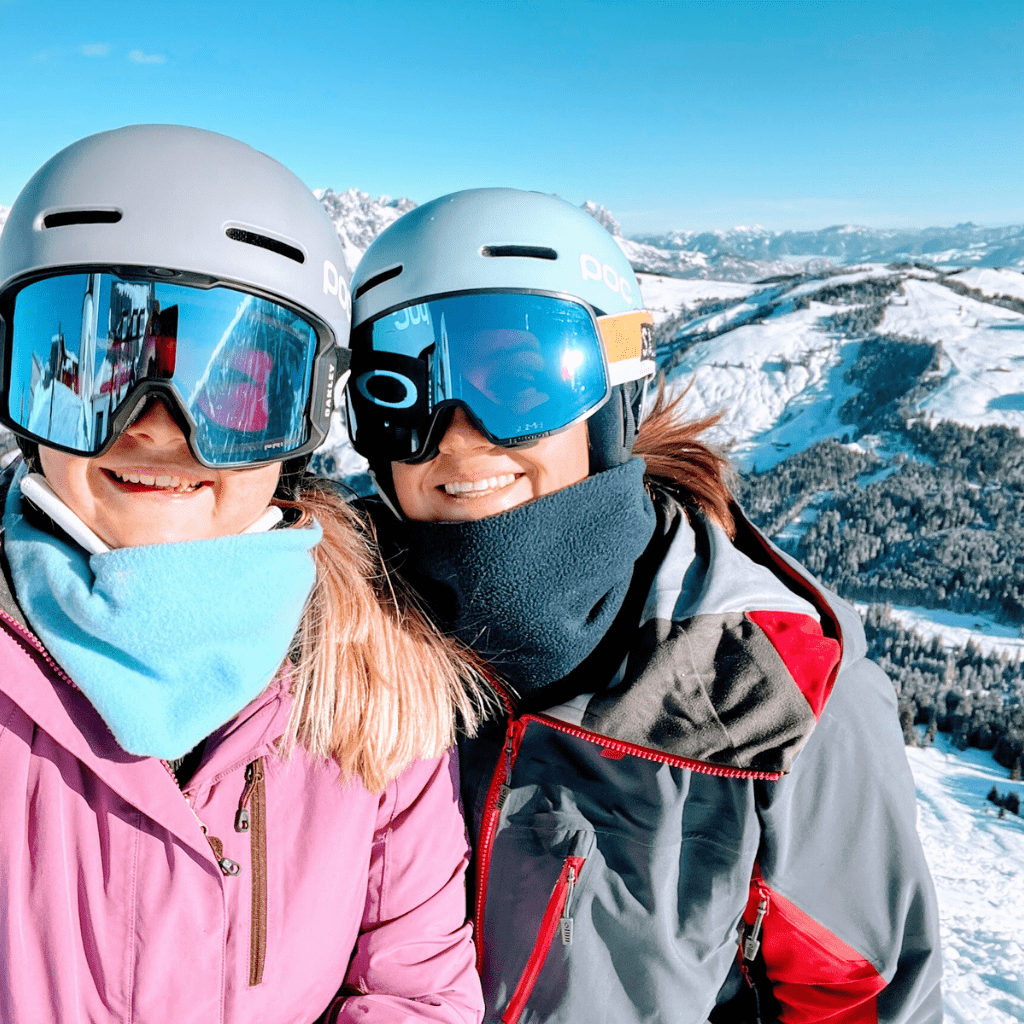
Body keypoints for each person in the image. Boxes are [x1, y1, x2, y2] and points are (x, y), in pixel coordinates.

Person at [344, 188, 943, 1024]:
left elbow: (858, 1000)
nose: (454, 434)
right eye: (400, 393)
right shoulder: (329, 642)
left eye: (520, 382)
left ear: (613, 398)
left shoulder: (773, 697)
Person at [0, 126, 491, 1023]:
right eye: (94, 374)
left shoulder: (374, 685)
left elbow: (416, 992)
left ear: (302, 422)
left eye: (232, 392)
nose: (158, 428)